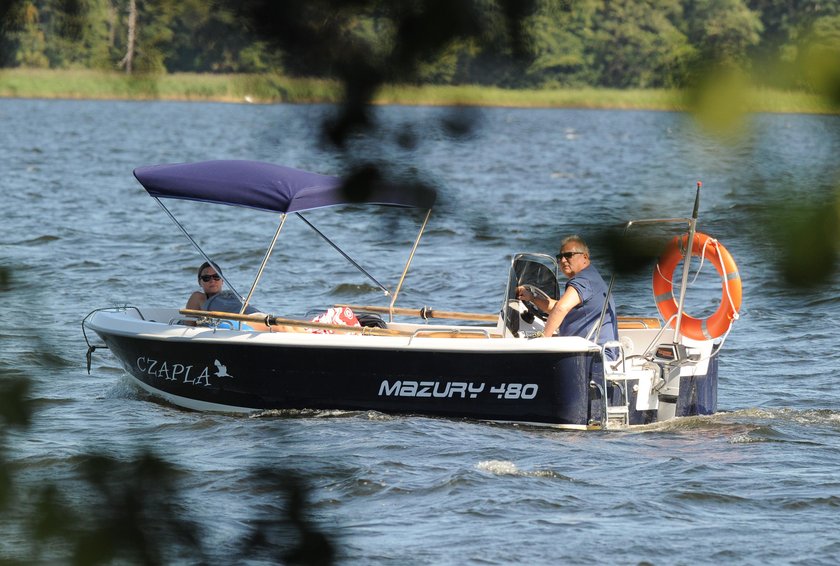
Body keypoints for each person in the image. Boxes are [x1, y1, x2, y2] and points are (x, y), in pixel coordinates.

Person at [516, 235, 618, 351]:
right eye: (560, 256)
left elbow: (560, 309)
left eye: (568, 255)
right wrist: (531, 298)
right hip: (595, 350)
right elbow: (558, 307)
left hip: (592, 355)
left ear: (584, 257)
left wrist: (544, 338)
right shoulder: (591, 276)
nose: (563, 260)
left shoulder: (583, 280)